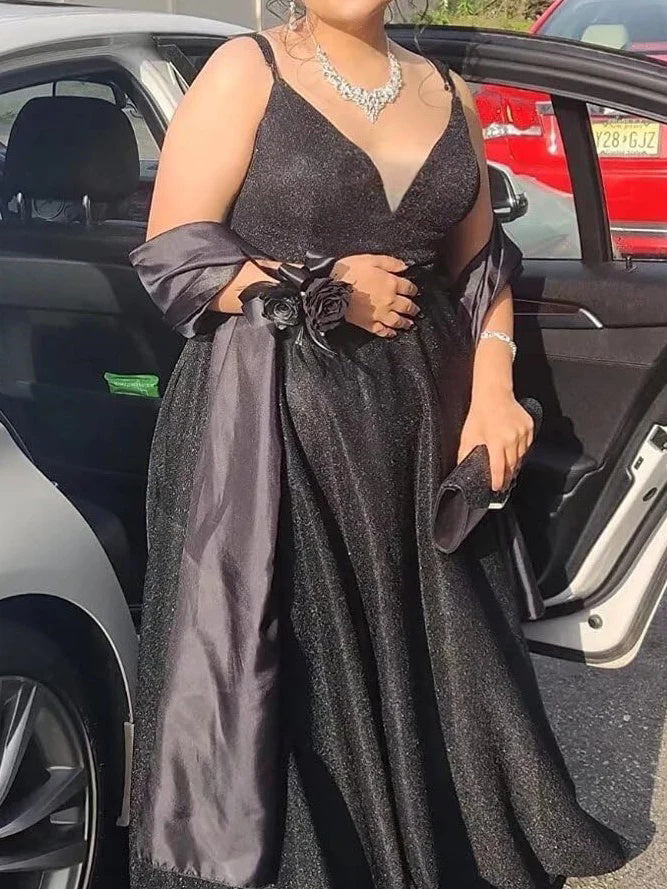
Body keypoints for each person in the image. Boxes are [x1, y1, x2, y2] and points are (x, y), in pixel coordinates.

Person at [128, 3, 631, 889]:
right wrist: (320, 285)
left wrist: (492, 388)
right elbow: (174, 257)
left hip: (423, 421)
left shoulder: (449, 93)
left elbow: (482, 267)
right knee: (300, 662)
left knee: (434, 648)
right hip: (274, 428)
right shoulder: (246, 72)